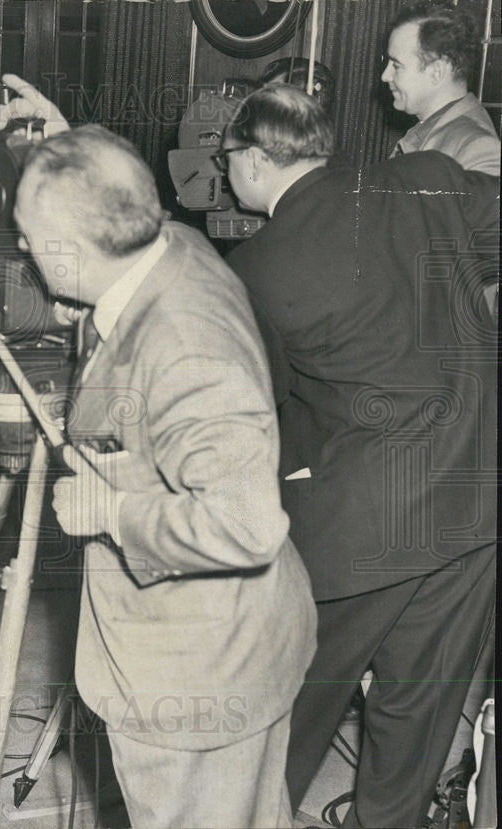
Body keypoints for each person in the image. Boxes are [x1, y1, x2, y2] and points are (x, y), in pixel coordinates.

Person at [8, 80, 318, 827]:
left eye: (26, 235)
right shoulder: (168, 241)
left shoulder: (186, 351)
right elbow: (121, 198)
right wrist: (68, 147)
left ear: (74, 252)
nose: (18, 246)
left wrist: (110, 508)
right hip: (227, 643)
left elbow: (246, 524)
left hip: (200, 681)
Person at [220, 85, 498, 828]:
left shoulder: (257, 267)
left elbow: (262, 415)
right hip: (475, 500)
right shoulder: (420, 178)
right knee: (417, 711)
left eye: (225, 160)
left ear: (250, 160)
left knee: (293, 699)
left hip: (361, 525)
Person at [382, 0, 500, 174]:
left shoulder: (477, 151)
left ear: (436, 72)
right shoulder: (427, 129)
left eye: (397, 65)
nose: (385, 76)